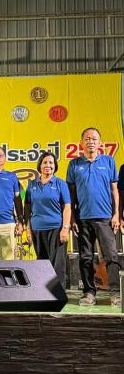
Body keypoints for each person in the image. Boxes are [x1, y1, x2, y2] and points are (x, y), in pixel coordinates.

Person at [67, 127, 121, 306]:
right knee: (86, 258)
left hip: (105, 218)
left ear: (100, 143)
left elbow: (114, 190)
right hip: (83, 219)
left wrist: (116, 214)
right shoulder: (74, 164)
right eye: (87, 139)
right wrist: (72, 218)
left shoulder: (109, 161)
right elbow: (71, 195)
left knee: (111, 256)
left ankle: (115, 293)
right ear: (81, 143)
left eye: (94, 139)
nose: (90, 141)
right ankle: (89, 293)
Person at [24, 152, 71, 288]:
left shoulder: (60, 183)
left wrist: (65, 228)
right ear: (40, 165)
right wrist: (28, 230)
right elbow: (27, 208)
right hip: (37, 229)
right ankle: (44, 292)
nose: (48, 165)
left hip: (56, 229)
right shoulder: (32, 185)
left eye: (51, 163)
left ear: (55, 166)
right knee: (42, 263)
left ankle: (58, 293)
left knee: (58, 264)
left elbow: (67, 207)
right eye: (45, 162)